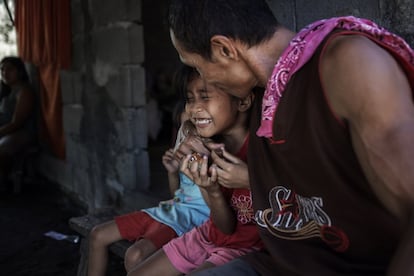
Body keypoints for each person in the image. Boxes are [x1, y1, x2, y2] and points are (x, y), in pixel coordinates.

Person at [167, 1, 414, 275]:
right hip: (281, 263)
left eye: (198, 68)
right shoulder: (258, 90)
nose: (204, 78)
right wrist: (191, 136)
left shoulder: (348, 63)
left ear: (224, 49)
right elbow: (196, 119)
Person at [126, 67, 263, 276]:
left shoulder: (264, 150)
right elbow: (224, 227)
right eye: (190, 99)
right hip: (208, 236)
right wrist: (211, 190)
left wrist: (249, 180)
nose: (194, 108)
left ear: (243, 101)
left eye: (205, 97)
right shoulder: (207, 149)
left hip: (247, 248)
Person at [87, 65, 210, 276]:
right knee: (97, 234)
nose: (186, 137)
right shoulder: (187, 145)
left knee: (135, 255)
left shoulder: (215, 152)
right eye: (184, 131)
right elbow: (178, 195)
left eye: (192, 130)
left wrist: (203, 169)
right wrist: (172, 171)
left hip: (192, 218)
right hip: (171, 210)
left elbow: (215, 206)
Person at [0, 56, 36, 191]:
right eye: (2, 70)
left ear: (20, 71)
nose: (4, 73)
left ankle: (4, 180)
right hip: (6, 131)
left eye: (10, 69)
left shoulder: (24, 91)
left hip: (21, 132)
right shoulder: (6, 91)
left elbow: (17, 123)